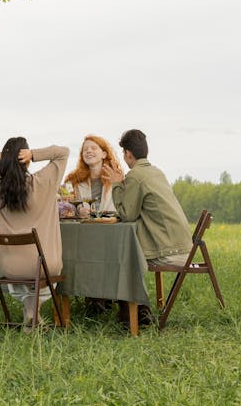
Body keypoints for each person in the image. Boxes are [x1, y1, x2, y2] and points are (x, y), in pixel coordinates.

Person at [0, 139, 69, 329]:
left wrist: (5, 157)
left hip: (11, 267)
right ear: (25, 159)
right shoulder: (43, 182)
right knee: (47, 268)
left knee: (22, 268)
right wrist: (34, 154)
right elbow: (63, 152)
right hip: (44, 266)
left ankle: (30, 312)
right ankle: (33, 313)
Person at [105, 128, 192, 326]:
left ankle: (136, 313)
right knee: (124, 250)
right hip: (184, 245)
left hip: (171, 250)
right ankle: (131, 310)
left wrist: (117, 184)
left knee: (122, 254)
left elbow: (127, 215)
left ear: (128, 154)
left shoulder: (136, 175)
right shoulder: (156, 171)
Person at [63, 134, 123, 217]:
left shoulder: (117, 179)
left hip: (111, 227)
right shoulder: (73, 181)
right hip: (85, 228)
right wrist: (78, 211)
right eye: (85, 149)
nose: (89, 151)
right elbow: (65, 206)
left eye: (94, 148)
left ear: (104, 154)